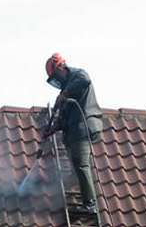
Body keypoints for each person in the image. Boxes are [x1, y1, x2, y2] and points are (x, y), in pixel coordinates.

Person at [42, 53, 103, 214]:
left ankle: (90, 205)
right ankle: (60, 190)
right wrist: (52, 129)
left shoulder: (78, 75)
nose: (57, 81)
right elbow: (64, 119)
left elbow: (84, 79)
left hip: (83, 128)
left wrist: (64, 94)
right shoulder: (66, 90)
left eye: (56, 76)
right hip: (73, 132)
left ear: (61, 68)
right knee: (76, 166)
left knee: (81, 165)